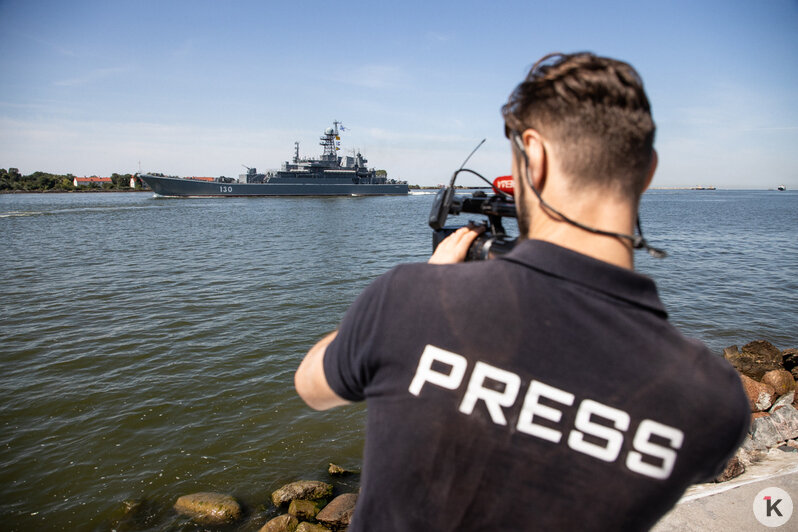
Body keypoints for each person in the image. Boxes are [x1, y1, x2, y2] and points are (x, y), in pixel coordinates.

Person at [294, 52, 750, 531]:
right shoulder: (715, 401)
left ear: (535, 154)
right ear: (648, 169)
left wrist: (418, 288)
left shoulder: (405, 297)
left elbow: (311, 385)